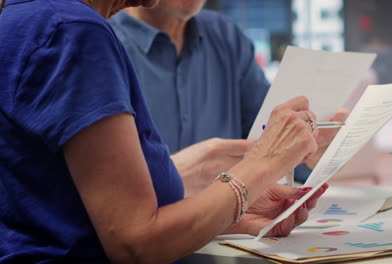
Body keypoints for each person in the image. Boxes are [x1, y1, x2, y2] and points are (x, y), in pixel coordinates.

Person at [0, 0, 328, 263]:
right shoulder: (73, 29)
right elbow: (135, 244)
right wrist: (262, 163)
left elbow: (75, 217)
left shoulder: (32, 20)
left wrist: (230, 212)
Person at [109, 1, 346, 191]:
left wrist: (307, 153)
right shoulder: (100, 43)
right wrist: (169, 176)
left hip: (224, 232)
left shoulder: (224, 35)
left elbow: (265, 138)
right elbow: (87, 190)